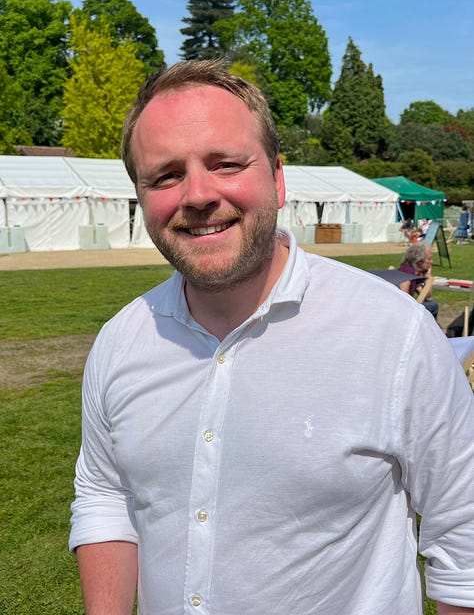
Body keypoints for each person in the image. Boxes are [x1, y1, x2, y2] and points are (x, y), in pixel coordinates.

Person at [69, 60, 474, 615]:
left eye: (226, 163)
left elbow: (464, 541)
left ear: (278, 179)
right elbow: (104, 495)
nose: (197, 195)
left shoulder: (393, 333)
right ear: (141, 198)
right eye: (165, 175)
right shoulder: (121, 343)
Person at [398, 242, 439, 320]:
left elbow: (428, 297)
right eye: (429, 259)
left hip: (407, 309)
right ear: (420, 261)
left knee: (432, 304)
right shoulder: (407, 273)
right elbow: (403, 301)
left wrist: (427, 277)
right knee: (433, 306)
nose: (431, 262)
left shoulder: (415, 273)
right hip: (403, 312)